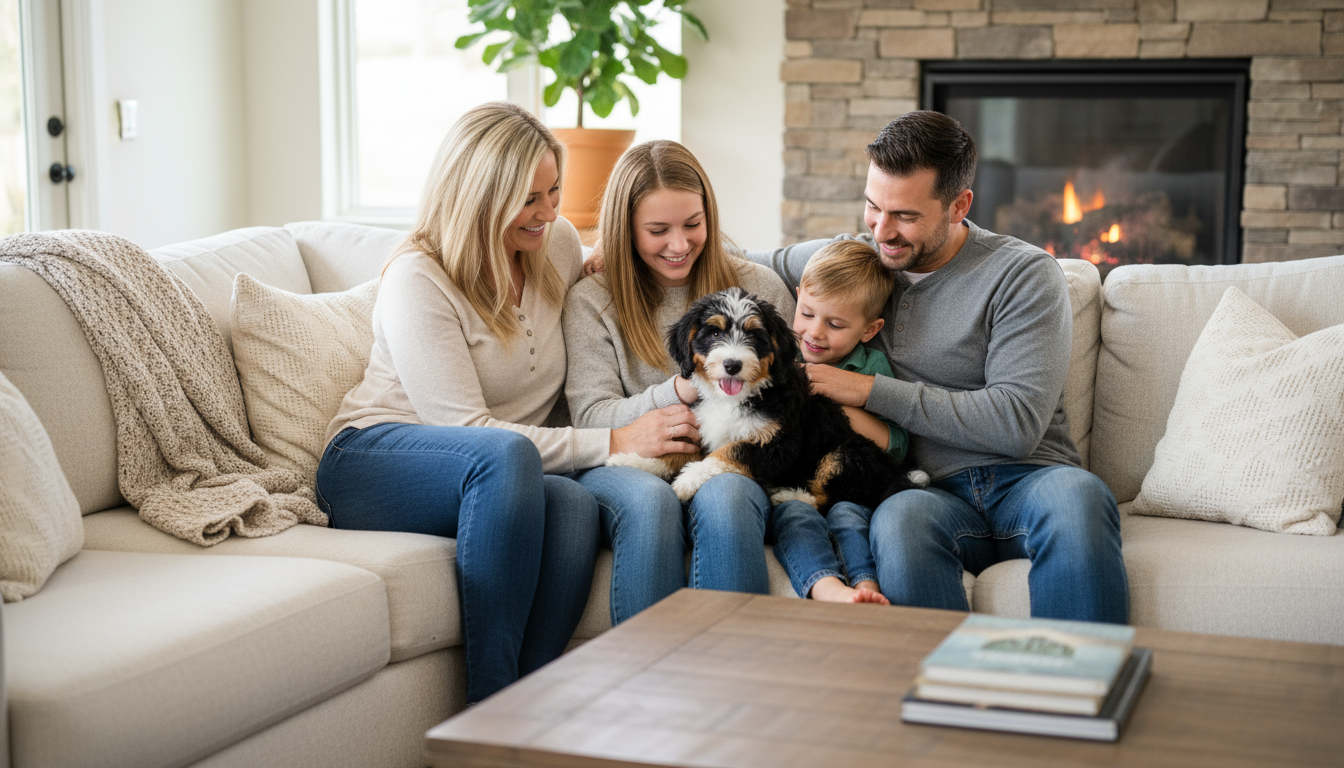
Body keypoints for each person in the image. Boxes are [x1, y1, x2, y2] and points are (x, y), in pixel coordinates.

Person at [315, 102, 678, 704]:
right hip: (372, 461)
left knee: (569, 502)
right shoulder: (419, 279)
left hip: (498, 465)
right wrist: (617, 439)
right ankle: (483, 713)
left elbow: (607, 262)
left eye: (554, 191)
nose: (548, 212)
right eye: (528, 199)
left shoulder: (555, 244)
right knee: (505, 455)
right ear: (478, 195)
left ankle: (523, 708)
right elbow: (468, 430)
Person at [750, 110, 1129, 623]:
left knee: (1080, 499)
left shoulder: (1022, 274)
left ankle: (1077, 690)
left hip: (1030, 481)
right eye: (872, 207)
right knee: (899, 522)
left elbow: (1016, 424)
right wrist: (606, 254)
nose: (882, 232)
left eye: (904, 216)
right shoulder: (857, 264)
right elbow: (742, 261)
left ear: (959, 205)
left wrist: (867, 390)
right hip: (928, 490)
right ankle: (942, 693)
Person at [563, 140, 796, 623]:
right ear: (624, 229)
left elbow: (790, 391)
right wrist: (679, 390)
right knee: (649, 504)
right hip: (630, 464)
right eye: (656, 230)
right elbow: (589, 415)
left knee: (729, 496)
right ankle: (645, 684)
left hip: (729, 457)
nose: (679, 244)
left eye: (693, 224)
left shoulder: (761, 288)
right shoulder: (592, 301)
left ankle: (733, 683)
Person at [772, 239, 908, 606]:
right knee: (794, 517)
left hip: (850, 483)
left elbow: (894, 443)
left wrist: (834, 400)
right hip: (796, 486)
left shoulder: (870, 369)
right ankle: (827, 587)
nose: (814, 333)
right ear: (797, 297)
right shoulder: (780, 357)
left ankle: (866, 586)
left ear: (869, 329)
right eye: (807, 313)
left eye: (834, 324)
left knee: (850, 517)